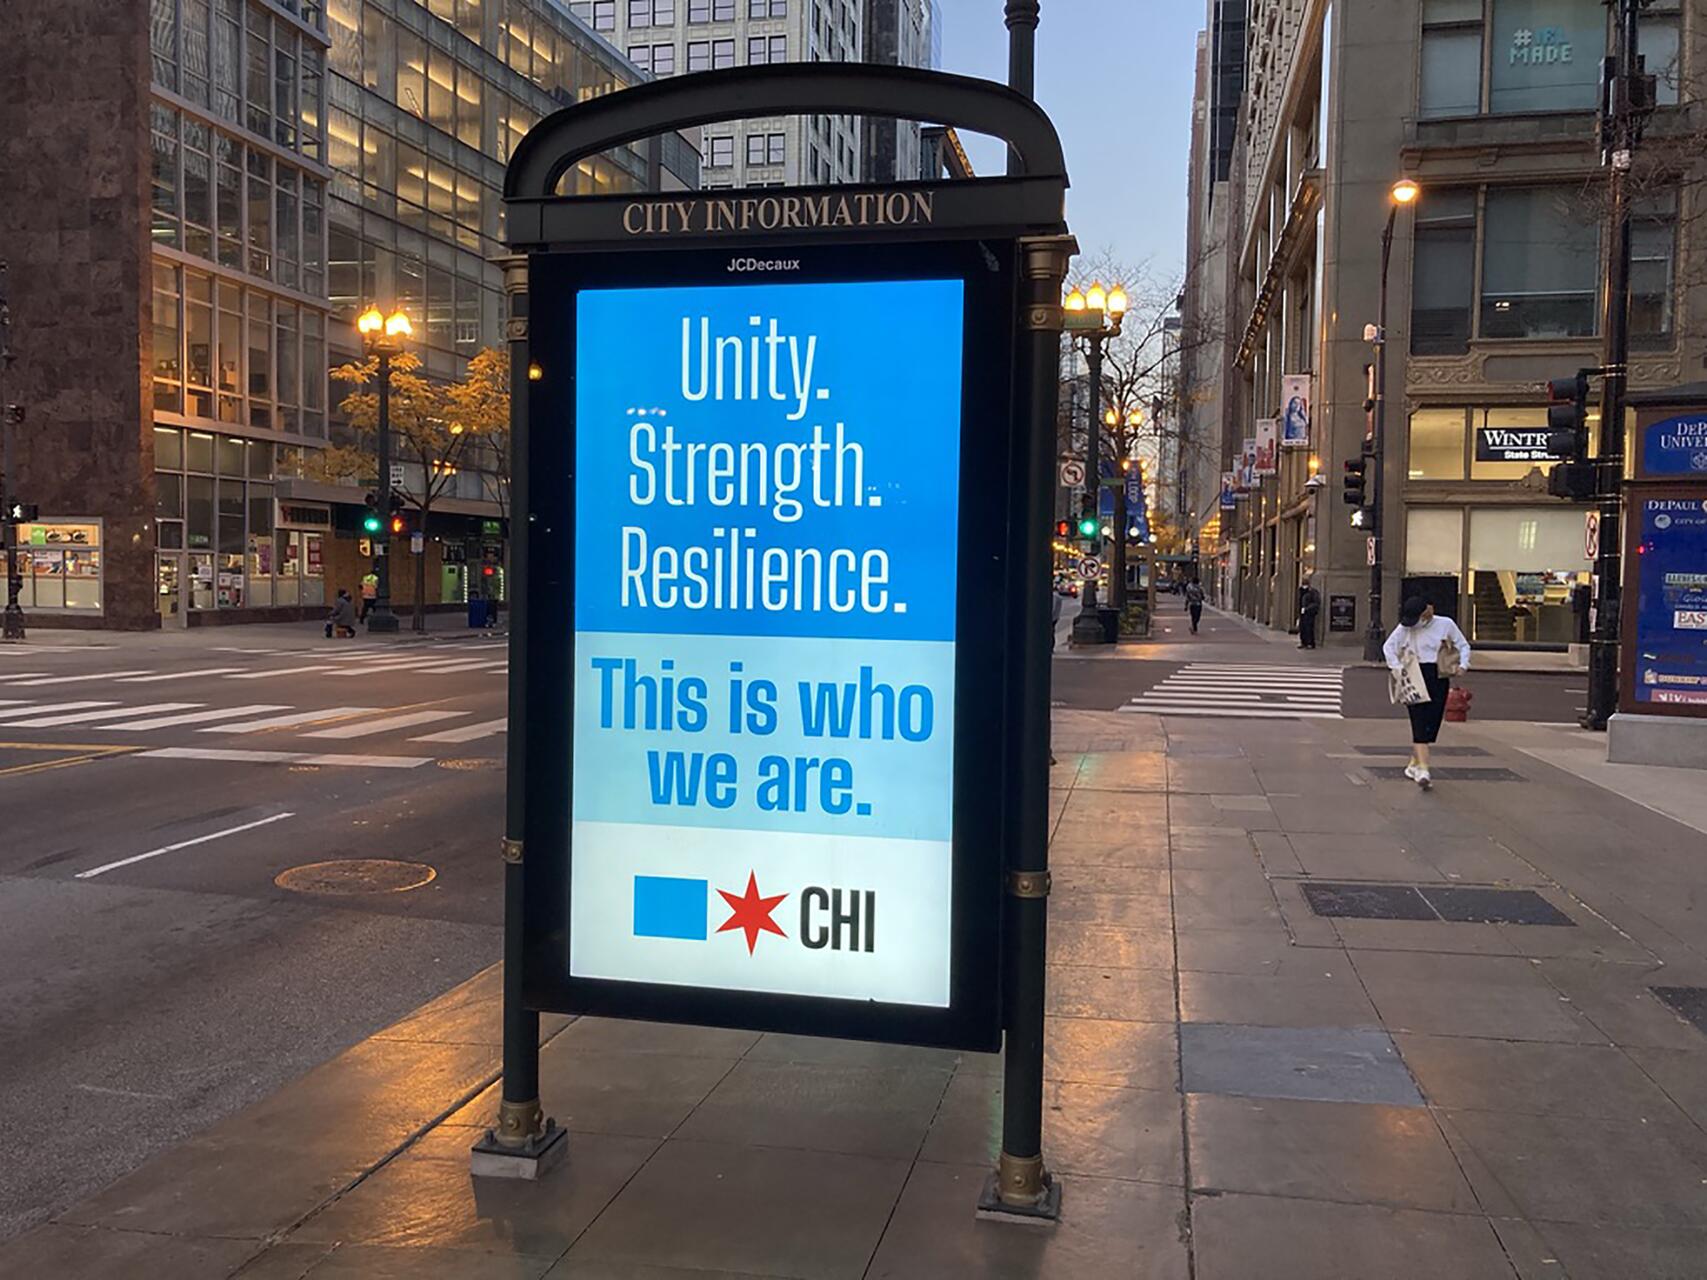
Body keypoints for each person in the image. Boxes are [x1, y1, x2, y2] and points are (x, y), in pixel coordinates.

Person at [1383, 595, 1471, 790]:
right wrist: (1397, 668)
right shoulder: (1406, 628)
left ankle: (1414, 763)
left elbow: (1462, 645)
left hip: (1438, 674)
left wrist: (1463, 665)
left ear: (1427, 612)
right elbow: (1389, 647)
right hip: (1414, 673)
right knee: (1419, 721)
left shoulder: (1445, 624)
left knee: (1432, 722)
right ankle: (1423, 770)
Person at [1297, 578, 1322, 649]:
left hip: (1309, 613)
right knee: (1302, 628)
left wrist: (1307, 608)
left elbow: (1316, 603)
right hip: (1302, 612)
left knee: (1309, 628)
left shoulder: (1312, 592)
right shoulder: (1301, 591)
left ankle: (1310, 643)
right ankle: (1303, 642)